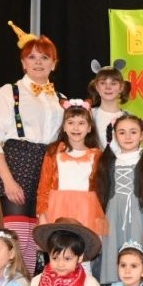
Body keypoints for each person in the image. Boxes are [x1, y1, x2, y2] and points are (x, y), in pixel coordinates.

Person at [0, 22, 65, 275]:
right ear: (23, 63)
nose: (38, 62)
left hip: (48, 167)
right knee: (18, 237)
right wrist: (8, 180)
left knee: (40, 237)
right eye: (32, 57)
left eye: (44, 57)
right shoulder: (10, 92)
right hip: (17, 163)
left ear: (54, 64)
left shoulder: (60, 99)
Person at [95, 113, 143, 286]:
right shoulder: (107, 163)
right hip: (113, 219)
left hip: (140, 219)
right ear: (114, 135)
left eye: (133, 132)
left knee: (138, 259)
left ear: (142, 135)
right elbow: (100, 199)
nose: (127, 137)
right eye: (122, 132)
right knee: (114, 258)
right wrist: (99, 228)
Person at [36, 100, 108, 238]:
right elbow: (44, 186)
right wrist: (42, 215)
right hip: (57, 209)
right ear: (64, 126)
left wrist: (99, 220)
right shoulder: (54, 151)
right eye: (70, 122)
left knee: (82, 246)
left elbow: (100, 191)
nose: (76, 128)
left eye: (81, 123)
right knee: (58, 245)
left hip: (86, 211)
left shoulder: (97, 155)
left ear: (89, 128)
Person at [87, 62, 130, 148]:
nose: (108, 87)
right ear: (96, 86)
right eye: (103, 83)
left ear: (121, 87)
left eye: (113, 83)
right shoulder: (89, 115)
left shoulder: (128, 117)